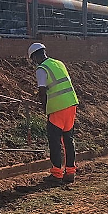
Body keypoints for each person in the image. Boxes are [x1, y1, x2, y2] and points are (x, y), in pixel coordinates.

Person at [28, 42, 78, 182]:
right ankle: (70, 172)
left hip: (57, 107)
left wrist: (45, 108)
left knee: (54, 141)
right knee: (68, 139)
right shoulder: (58, 63)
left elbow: (42, 91)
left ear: (34, 57)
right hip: (71, 104)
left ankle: (56, 174)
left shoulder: (41, 69)